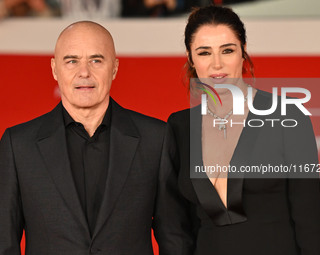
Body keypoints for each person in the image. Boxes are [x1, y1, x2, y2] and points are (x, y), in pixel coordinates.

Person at [0, 21, 194, 254]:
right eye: (72, 61)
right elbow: (4, 242)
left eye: (96, 60)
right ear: (54, 68)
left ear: (114, 67)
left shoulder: (156, 138)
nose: (84, 72)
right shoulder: (18, 145)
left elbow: (174, 238)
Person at [167, 6, 320, 255]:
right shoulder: (179, 126)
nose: (216, 64)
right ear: (191, 58)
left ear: (243, 52)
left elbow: (310, 223)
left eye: (227, 50)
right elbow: (178, 226)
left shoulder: (288, 117)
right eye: (204, 52)